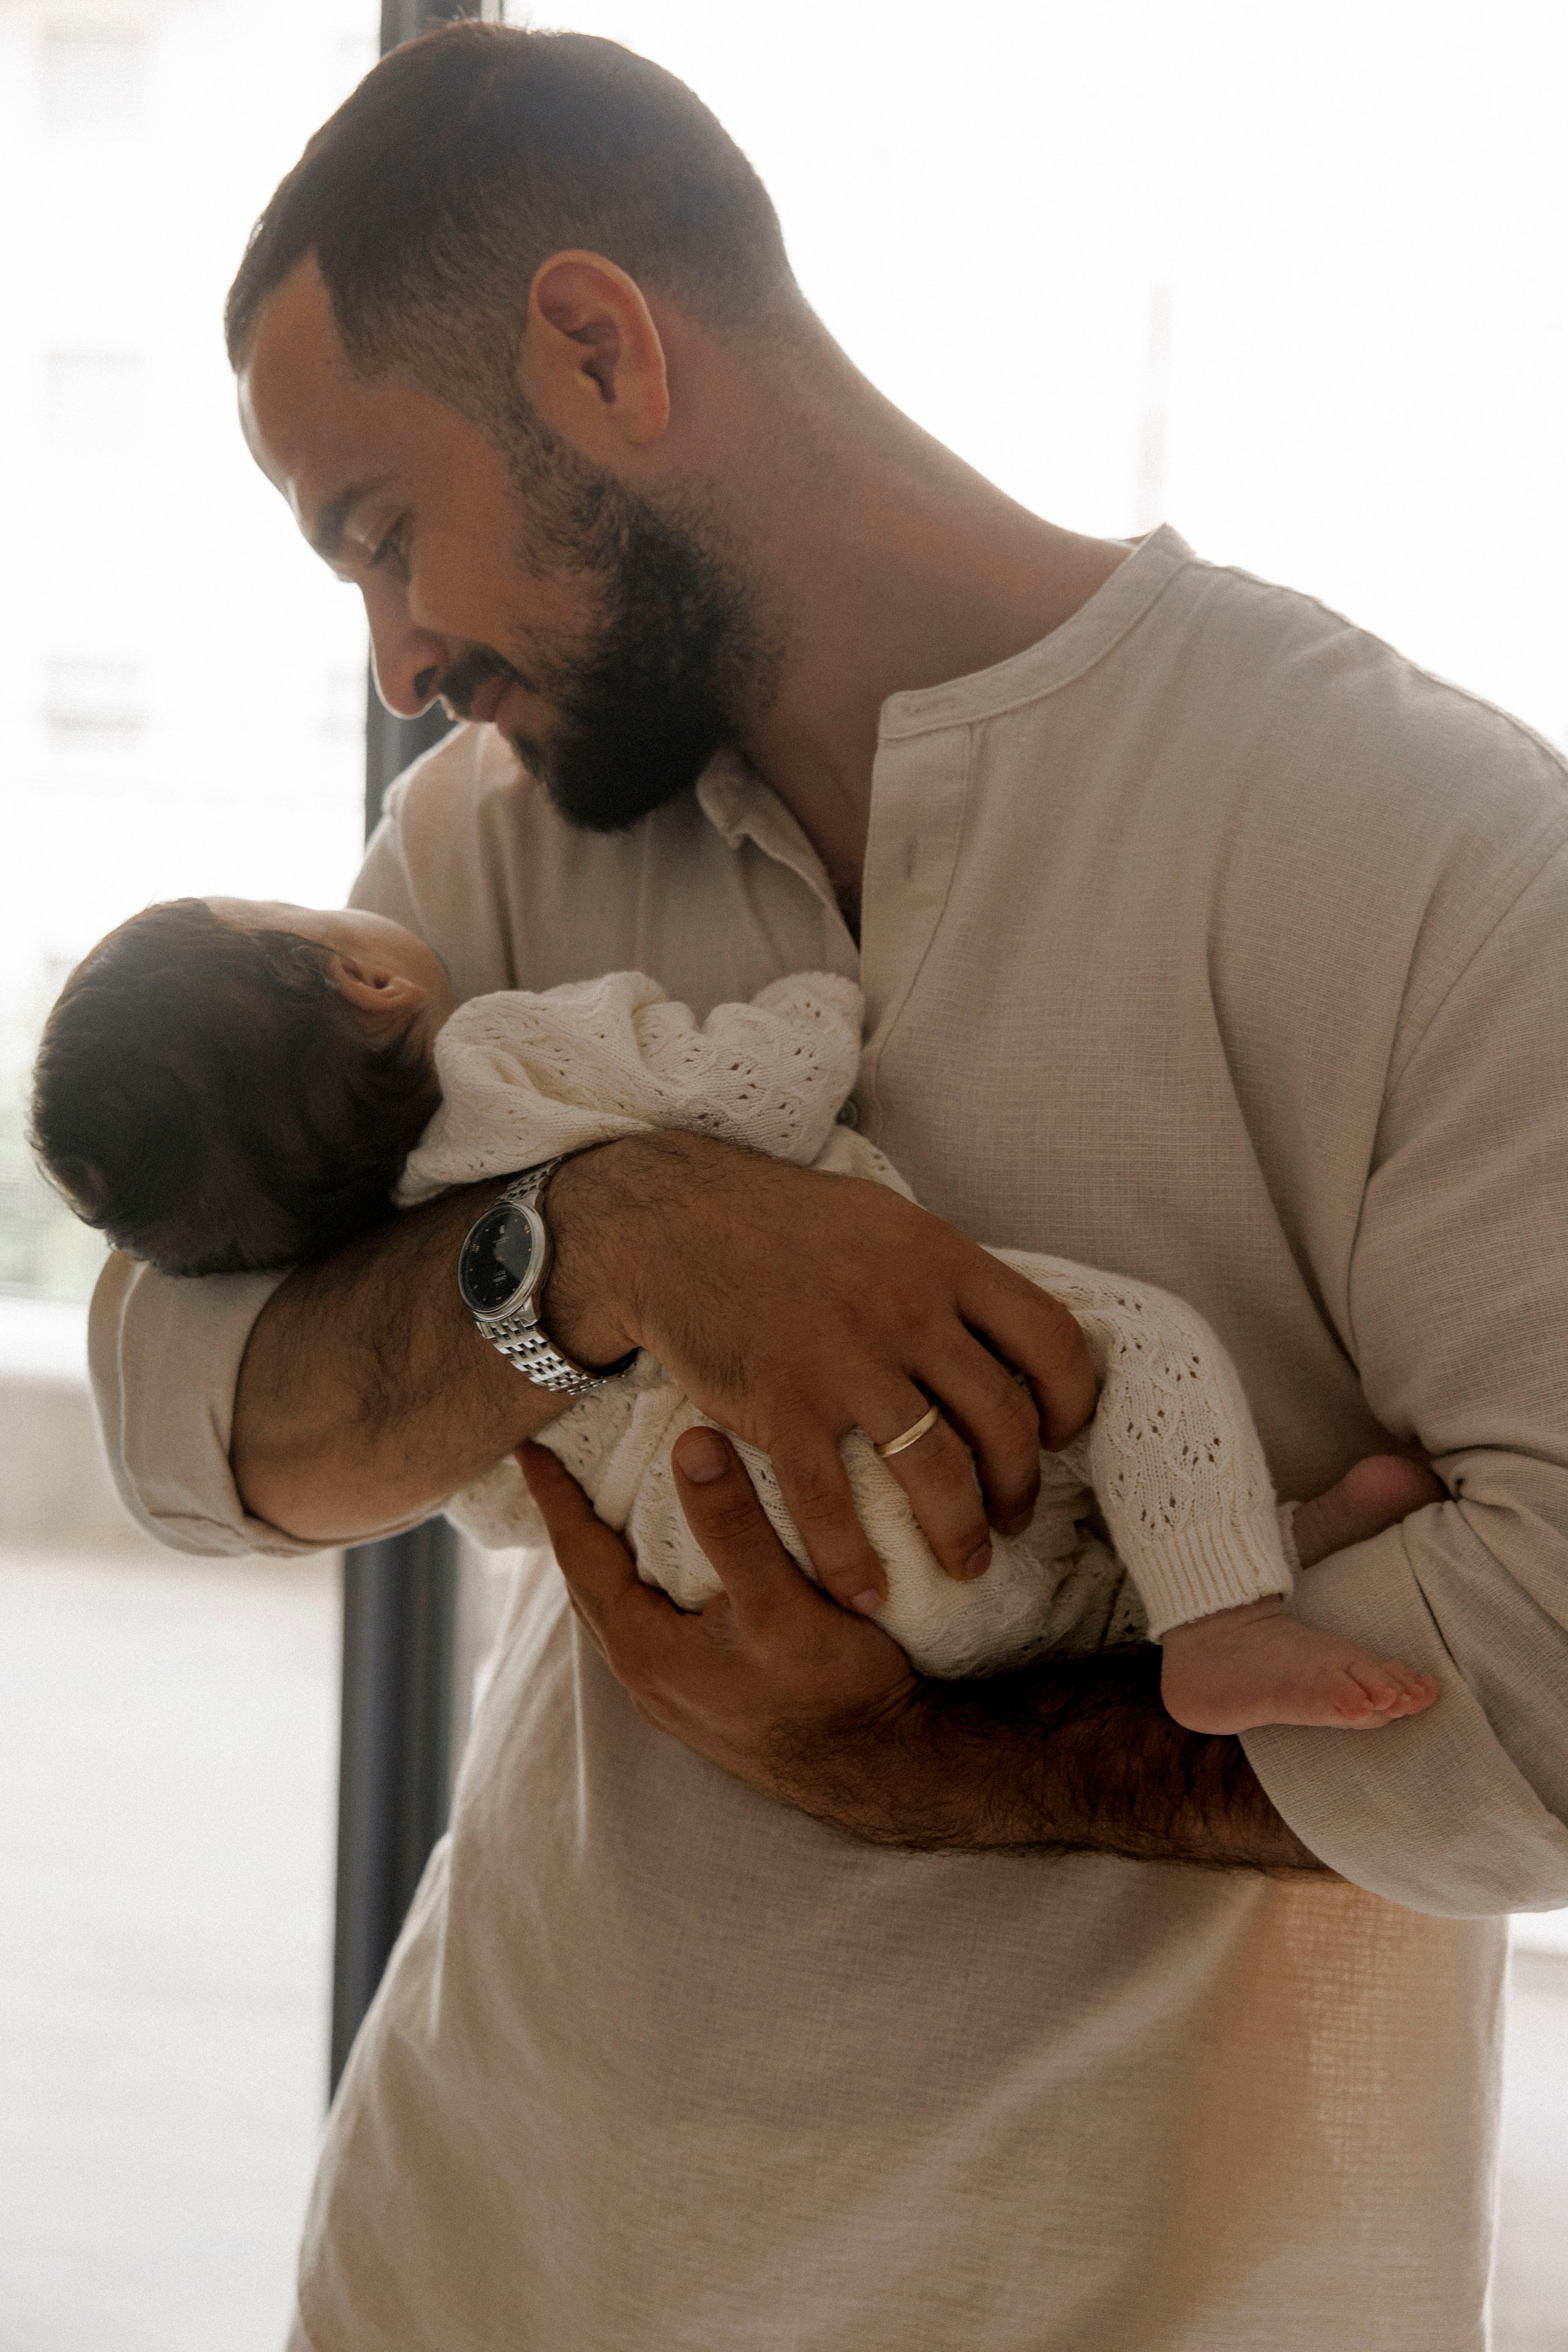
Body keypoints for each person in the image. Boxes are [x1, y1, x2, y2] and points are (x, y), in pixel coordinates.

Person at [88, 21, 1568, 2350]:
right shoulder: (491, 844)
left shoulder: (1431, 853)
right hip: (478, 2258)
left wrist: (916, 1762)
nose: (398, 653)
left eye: (381, 531)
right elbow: (186, 1414)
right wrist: (609, 1240)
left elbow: (1554, 1701)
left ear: (599, 349)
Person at [35, 892, 1442, 1721]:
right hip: (873, 1438)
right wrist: (821, 1001)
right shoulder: (505, 1053)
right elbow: (754, 1097)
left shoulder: (375, 1249)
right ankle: (1226, 1611)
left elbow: (504, 1502)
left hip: (756, 1574)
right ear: (363, 980)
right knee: (1125, 1353)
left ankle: (1253, 1567)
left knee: (1040, 1601)